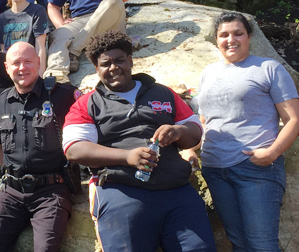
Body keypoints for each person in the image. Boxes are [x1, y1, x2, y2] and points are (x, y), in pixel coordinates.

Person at [63, 30, 216, 252]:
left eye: (120, 60)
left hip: (177, 192)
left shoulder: (164, 93)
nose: (114, 67)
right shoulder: (87, 104)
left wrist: (178, 131)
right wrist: (126, 157)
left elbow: (195, 130)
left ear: (130, 60)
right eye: (106, 64)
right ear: (96, 68)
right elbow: (74, 150)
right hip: (122, 193)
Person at [185, 12, 299, 252]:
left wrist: (272, 153)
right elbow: (205, 120)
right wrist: (190, 148)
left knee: (262, 246)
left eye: (238, 33)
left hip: (255, 169)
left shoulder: (269, 68)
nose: (231, 39)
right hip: (215, 169)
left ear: (249, 36)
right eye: (224, 35)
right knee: (238, 244)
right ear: (216, 40)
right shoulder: (208, 73)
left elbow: (293, 119)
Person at [0, 41, 81, 252]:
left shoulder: (62, 95)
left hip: (51, 192)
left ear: (39, 63)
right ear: (6, 68)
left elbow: (91, 115)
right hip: (10, 192)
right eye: (16, 63)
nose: (22, 68)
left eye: (28, 61)